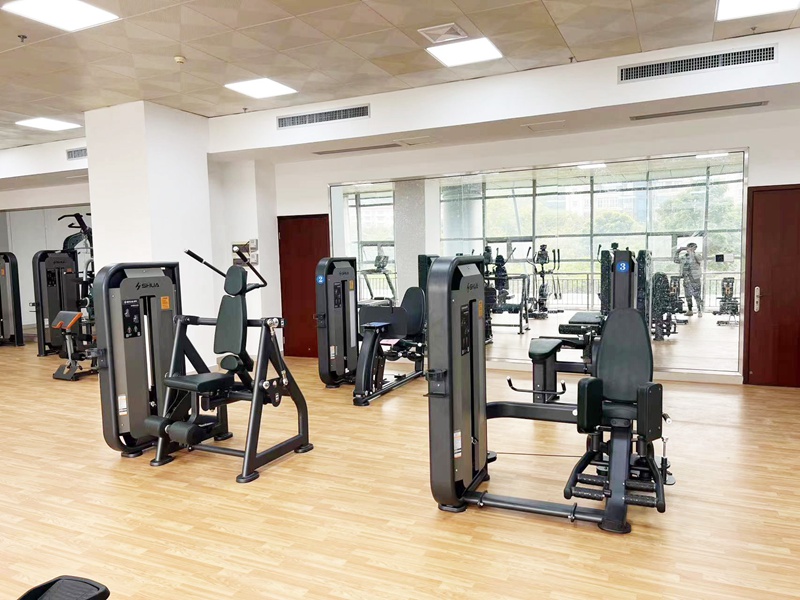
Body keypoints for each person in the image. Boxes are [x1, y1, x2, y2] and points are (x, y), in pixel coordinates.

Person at [674, 243, 703, 317]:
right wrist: (678, 251)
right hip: (686, 279)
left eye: (693, 247)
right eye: (689, 247)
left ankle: (699, 311)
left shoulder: (697, 255)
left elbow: (699, 260)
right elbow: (676, 260)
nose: (690, 249)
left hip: (695, 279)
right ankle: (690, 310)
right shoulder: (684, 257)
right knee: (688, 296)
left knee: (697, 296)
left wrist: (691, 252)